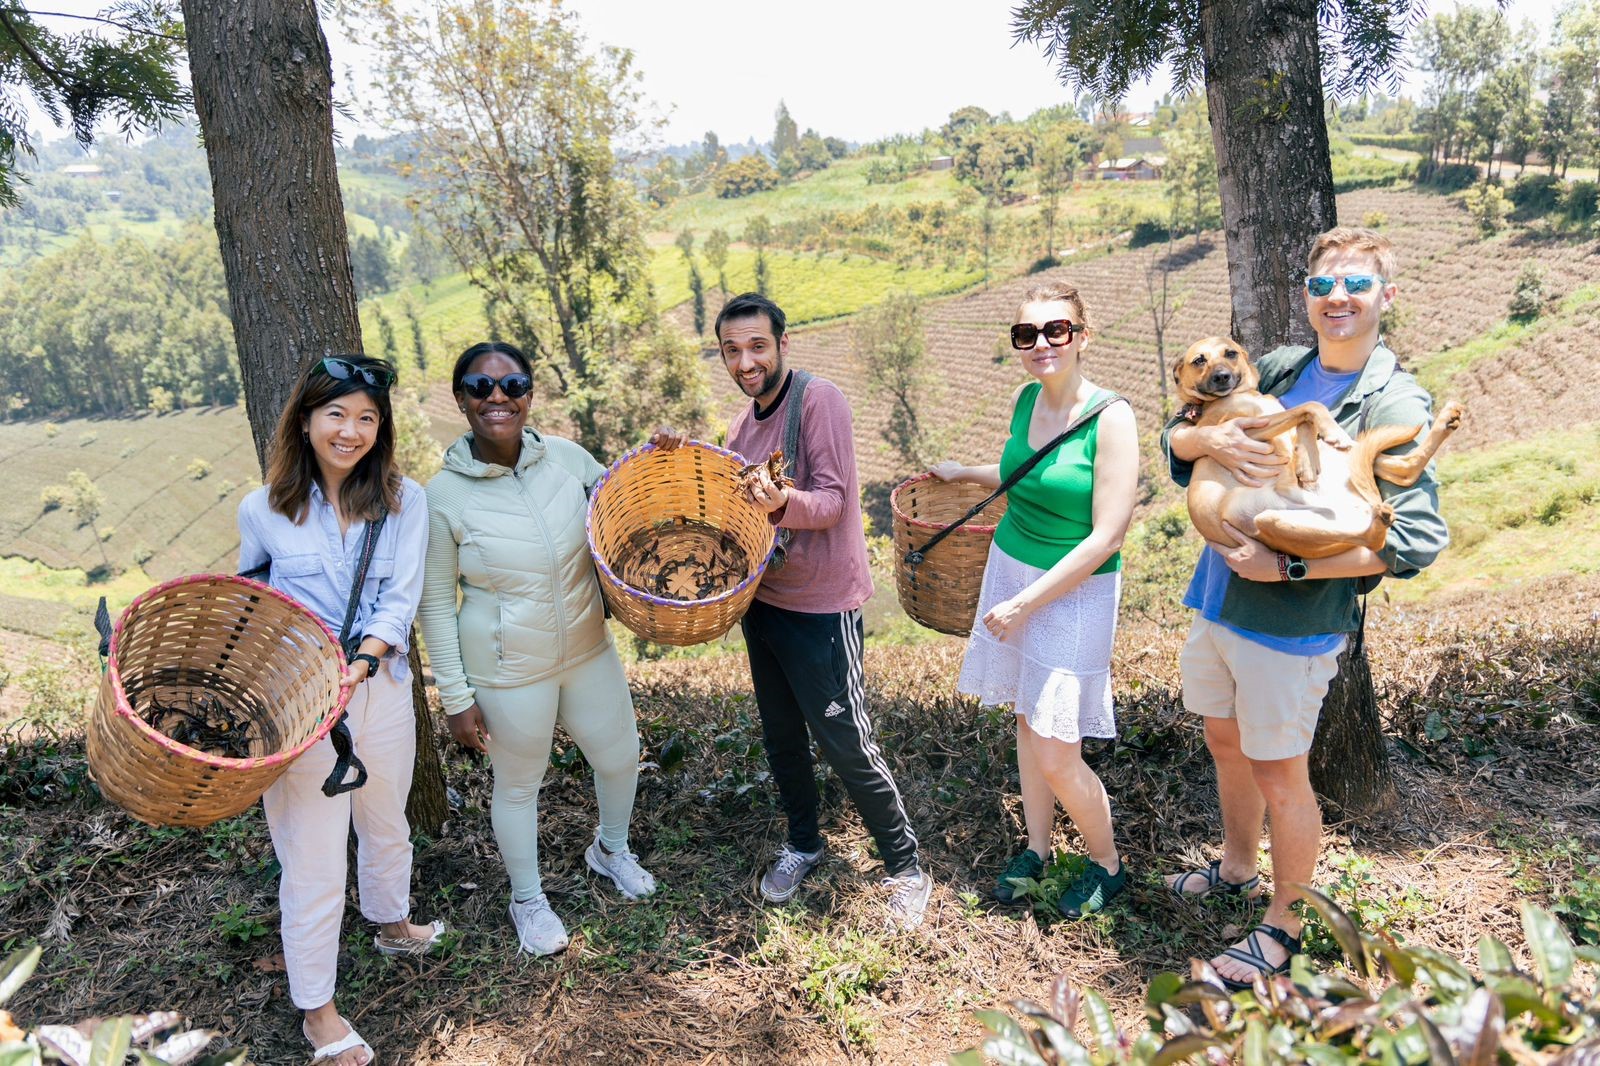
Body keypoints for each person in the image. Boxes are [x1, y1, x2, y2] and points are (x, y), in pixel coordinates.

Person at [1161, 226, 1449, 987]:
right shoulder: (1284, 368)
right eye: (1324, 286)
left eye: (1357, 285)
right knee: (1225, 743)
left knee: (1282, 772)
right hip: (1217, 600)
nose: (1338, 299)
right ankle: (1234, 868)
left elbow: (1413, 540)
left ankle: (1282, 926)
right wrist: (1198, 447)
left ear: (1388, 296)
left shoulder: (1391, 399)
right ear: (1307, 297)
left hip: (1290, 626)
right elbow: (1185, 427)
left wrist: (1284, 566)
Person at [650, 293, 933, 930]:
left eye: (757, 346)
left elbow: (832, 502)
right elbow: (727, 503)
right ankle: (803, 843)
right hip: (765, 600)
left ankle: (905, 865)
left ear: (782, 343)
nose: (745, 361)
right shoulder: (739, 426)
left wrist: (782, 499)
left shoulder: (817, 401)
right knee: (782, 736)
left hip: (820, 603)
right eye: (731, 350)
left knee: (844, 738)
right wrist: (677, 454)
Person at [416, 341, 657, 959]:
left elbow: (626, 508)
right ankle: (528, 898)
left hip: (585, 647)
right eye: (480, 387)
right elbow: (437, 603)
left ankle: (610, 849)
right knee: (519, 785)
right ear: (461, 398)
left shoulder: (568, 459)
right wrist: (455, 697)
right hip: (506, 668)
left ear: (530, 394)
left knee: (620, 756)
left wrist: (657, 461)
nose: (498, 398)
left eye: (513, 384)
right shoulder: (441, 497)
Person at [237, 354, 439, 1066]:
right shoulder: (263, 509)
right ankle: (317, 1011)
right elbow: (252, 607)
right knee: (313, 855)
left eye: (366, 419)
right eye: (336, 415)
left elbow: (400, 598)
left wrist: (358, 666)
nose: (350, 431)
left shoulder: (404, 499)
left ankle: (391, 922)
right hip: (302, 707)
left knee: (386, 816)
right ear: (305, 418)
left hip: (378, 687)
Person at [931, 283, 1138, 918]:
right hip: (1012, 565)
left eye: (1056, 330)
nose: (1042, 344)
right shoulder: (1026, 401)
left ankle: (1107, 863)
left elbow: (1107, 535)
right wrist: (966, 473)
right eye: (1027, 335)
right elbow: (1028, 474)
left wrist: (1027, 604)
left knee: (1056, 742)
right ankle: (1038, 848)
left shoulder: (1112, 418)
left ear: (1083, 335)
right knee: (1026, 716)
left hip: (1072, 590)